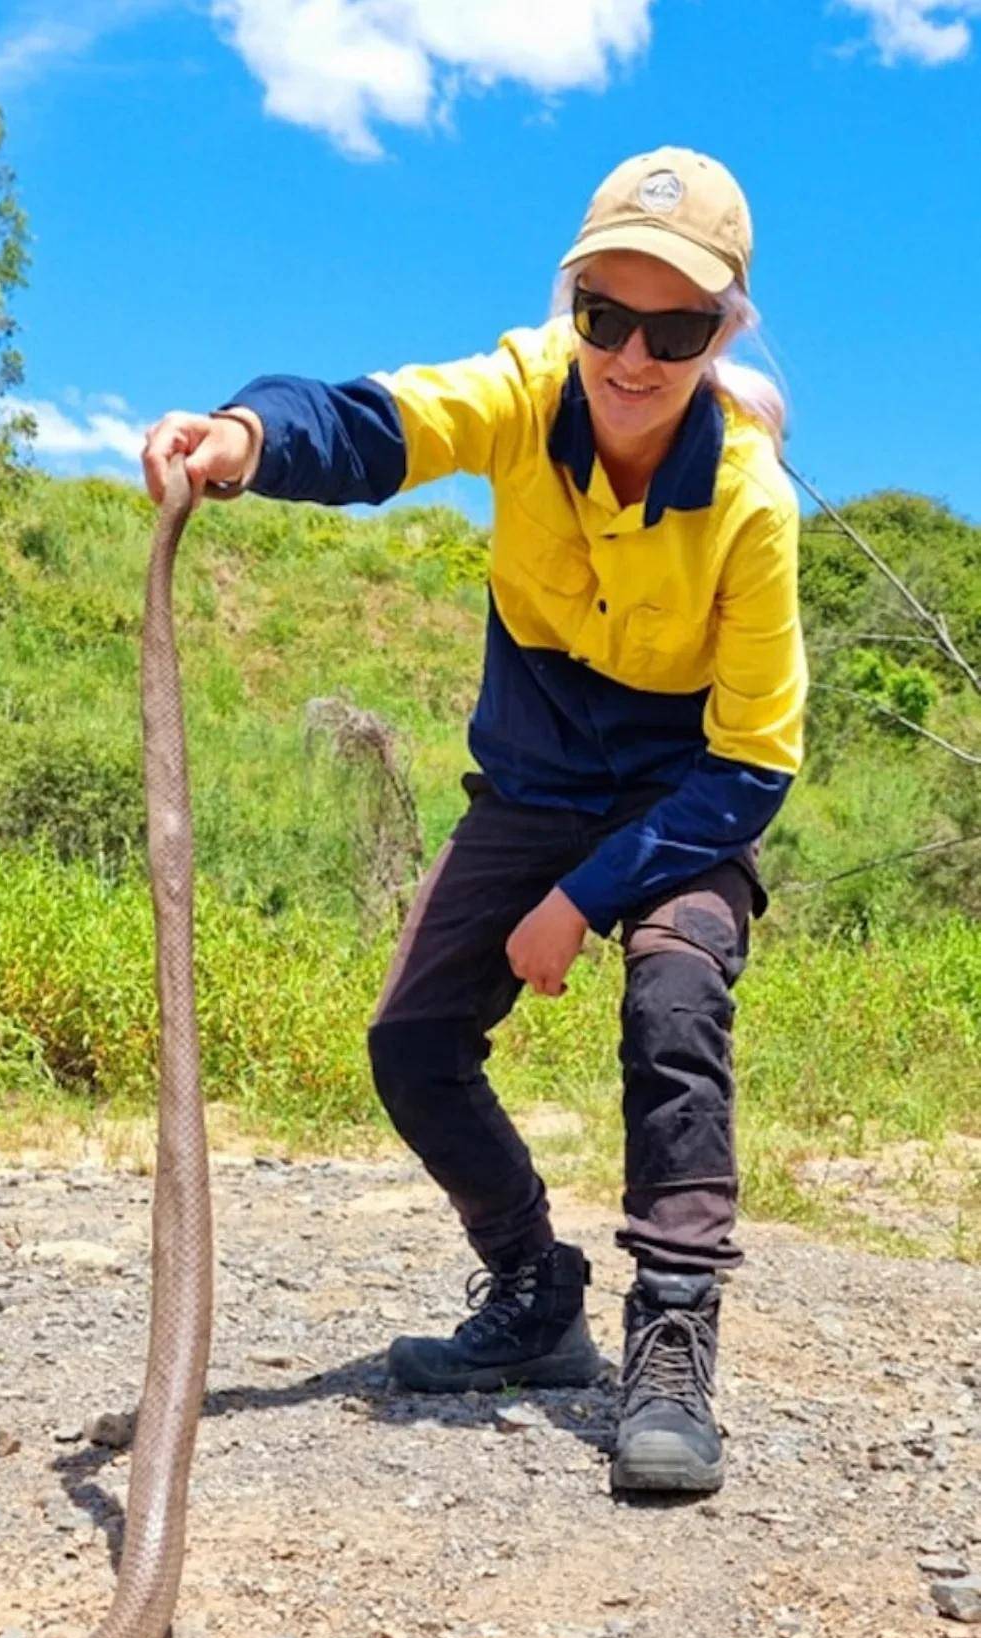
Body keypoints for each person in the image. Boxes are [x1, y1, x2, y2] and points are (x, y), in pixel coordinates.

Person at [142, 147, 807, 1496]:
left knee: (674, 991)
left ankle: (671, 1339)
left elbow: (748, 768)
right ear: (572, 307)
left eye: (671, 330)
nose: (629, 357)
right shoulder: (522, 393)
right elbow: (381, 423)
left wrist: (581, 902)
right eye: (604, 317)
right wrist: (246, 438)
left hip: (680, 802)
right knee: (410, 1044)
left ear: (720, 330)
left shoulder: (749, 504)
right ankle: (532, 1293)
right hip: (531, 784)